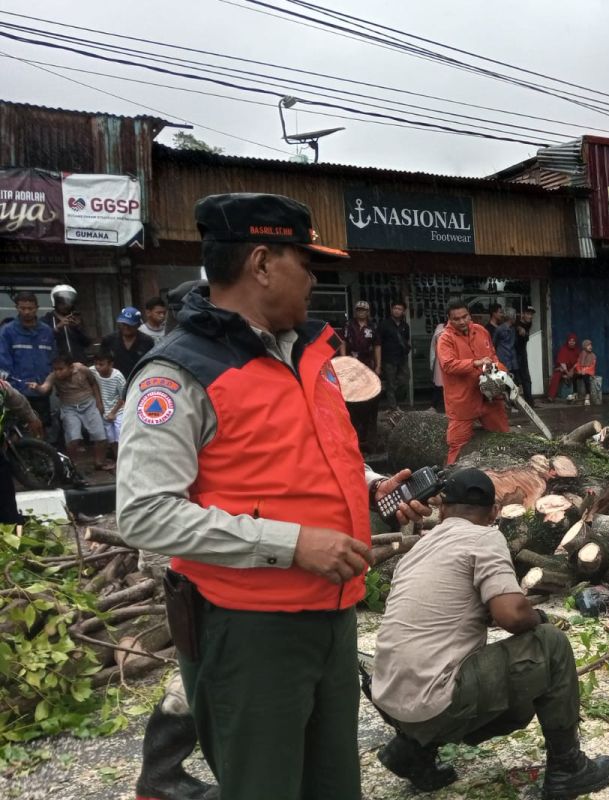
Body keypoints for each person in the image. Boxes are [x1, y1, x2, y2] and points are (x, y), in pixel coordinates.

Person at [115, 193, 429, 800]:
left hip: (332, 616)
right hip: (248, 630)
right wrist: (291, 545)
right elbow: (144, 513)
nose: (314, 279)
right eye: (304, 263)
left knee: (333, 785)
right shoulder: (177, 375)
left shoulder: (309, 354)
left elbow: (315, 455)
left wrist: (370, 486)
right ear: (261, 263)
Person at [369, 468, 609, 799]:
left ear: (443, 510)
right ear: (494, 513)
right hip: (435, 703)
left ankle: (412, 749)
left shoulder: (419, 549)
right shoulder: (485, 537)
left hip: (388, 696)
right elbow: (512, 615)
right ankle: (568, 768)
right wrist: (538, 617)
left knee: (500, 693)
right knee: (551, 644)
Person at [438, 299, 510, 464]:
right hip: (463, 399)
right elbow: (448, 365)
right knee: (457, 445)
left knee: (503, 439)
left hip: (489, 396)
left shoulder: (481, 331)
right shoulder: (445, 338)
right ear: (449, 319)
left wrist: (500, 371)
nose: (462, 321)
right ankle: (452, 480)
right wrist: (475, 363)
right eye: (457, 319)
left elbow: (492, 356)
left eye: (465, 316)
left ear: (470, 315)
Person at [30, 355, 111, 472]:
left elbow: (94, 384)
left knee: (100, 436)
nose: (58, 372)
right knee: (73, 438)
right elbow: (45, 388)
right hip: (69, 408)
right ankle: (72, 464)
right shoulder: (53, 376)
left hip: (88, 404)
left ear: (70, 367)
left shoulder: (82, 370)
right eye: (55, 369)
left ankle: (99, 462)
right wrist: (37, 387)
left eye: (61, 369)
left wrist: (99, 402)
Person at [0, 291, 56, 431]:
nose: (26, 312)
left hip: (40, 392)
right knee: (15, 432)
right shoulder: (7, 331)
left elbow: (54, 361)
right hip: (17, 394)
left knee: (40, 430)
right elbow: (3, 363)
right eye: (22, 308)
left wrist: (47, 383)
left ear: (36, 308)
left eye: (30, 308)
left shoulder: (47, 331)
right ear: (17, 308)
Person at [0, 376, 44, 522]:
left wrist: (32, 418)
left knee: (5, 492)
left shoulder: (2, 387)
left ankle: (11, 523)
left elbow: (18, 401)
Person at [90, 350, 126, 462]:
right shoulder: (93, 371)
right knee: (111, 440)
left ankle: (123, 461)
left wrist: (113, 412)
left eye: (101, 364)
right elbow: (82, 368)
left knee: (120, 438)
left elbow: (123, 397)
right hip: (104, 412)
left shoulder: (118, 376)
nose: (97, 367)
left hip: (118, 411)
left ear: (111, 364)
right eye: (96, 364)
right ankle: (117, 461)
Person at [102, 307, 156, 380]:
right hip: (115, 381)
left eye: (130, 325)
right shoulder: (109, 340)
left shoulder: (147, 341)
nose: (126, 327)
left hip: (139, 380)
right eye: (123, 324)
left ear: (138, 324)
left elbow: (151, 365)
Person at [42, 284, 92, 363]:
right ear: (56, 302)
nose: (66, 306)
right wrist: (57, 328)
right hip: (57, 365)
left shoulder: (77, 319)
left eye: (69, 303)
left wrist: (78, 328)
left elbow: (87, 342)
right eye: (62, 303)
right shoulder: (47, 319)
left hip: (77, 364)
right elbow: (43, 340)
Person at [379, 300, 411, 408]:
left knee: (404, 381)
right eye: (395, 308)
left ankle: (398, 403)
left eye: (400, 309)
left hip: (402, 358)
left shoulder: (405, 325)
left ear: (403, 311)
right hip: (388, 358)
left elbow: (406, 340)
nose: (397, 311)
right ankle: (393, 408)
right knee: (390, 384)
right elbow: (378, 343)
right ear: (391, 310)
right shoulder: (384, 324)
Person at [341, 300, 381, 373]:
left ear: (368, 312)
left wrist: (378, 365)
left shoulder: (373, 326)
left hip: (367, 360)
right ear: (356, 312)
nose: (361, 312)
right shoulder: (348, 324)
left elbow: (377, 346)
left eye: (363, 310)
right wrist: (343, 359)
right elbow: (343, 342)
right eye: (359, 310)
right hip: (351, 359)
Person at [548, 333, 580, 402]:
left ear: (575, 342)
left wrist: (571, 371)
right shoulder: (564, 349)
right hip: (564, 369)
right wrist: (567, 373)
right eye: (570, 341)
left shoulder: (577, 350)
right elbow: (562, 363)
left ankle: (574, 395)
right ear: (568, 341)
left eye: (573, 341)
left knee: (577, 374)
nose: (571, 342)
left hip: (573, 369)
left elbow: (578, 362)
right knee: (556, 375)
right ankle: (551, 396)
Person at [514, 306, 536, 402]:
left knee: (526, 378)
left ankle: (529, 402)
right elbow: (513, 324)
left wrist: (520, 328)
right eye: (528, 314)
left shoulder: (528, 324)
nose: (530, 316)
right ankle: (515, 402)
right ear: (523, 314)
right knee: (515, 378)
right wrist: (518, 327)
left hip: (522, 353)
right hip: (514, 353)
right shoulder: (516, 322)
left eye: (531, 314)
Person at [489, 304, 518, 377]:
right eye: (514, 316)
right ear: (511, 317)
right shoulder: (499, 329)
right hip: (503, 359)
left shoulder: (513, 329)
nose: (516, 318)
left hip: (511, 359)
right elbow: (493, 344)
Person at [430, 321, 446, 412]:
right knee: (439, 385)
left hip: (454, 361)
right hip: (440, 360)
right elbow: (434, 344)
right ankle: (433, 406)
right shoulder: (440, 327)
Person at [575, 339, 597, 405]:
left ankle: (587, 396)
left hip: (589, 372)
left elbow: (592, 366)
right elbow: (578, 363)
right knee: (574, 376)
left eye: (591, 345)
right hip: (581, 371)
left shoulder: (593, 355)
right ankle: (575, 393)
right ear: (584, 346)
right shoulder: (582, 354)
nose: (590, 347)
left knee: (586, 378)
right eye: (588, 345)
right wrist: (579, 370)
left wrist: (584, 370)